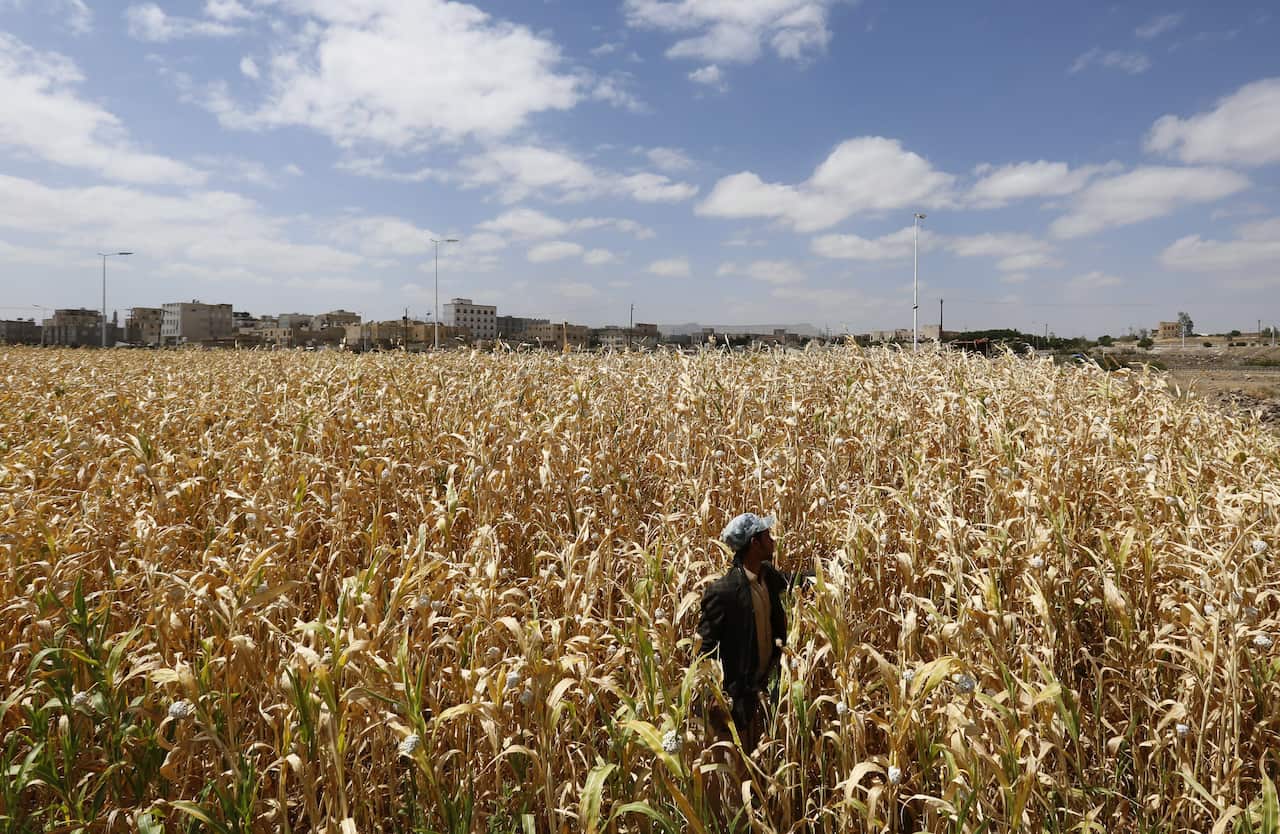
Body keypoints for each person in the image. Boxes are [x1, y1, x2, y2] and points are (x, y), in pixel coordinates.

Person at [696, 512, 804, 753]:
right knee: (741, 766)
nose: (773, 540)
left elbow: (791, 580)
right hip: (739, 699)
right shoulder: (723, 593)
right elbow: (704, 649)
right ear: (754, 543)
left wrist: (827, 573)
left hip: (767, 691)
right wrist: (716, 697)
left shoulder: (767, 574)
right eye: (767, 536)